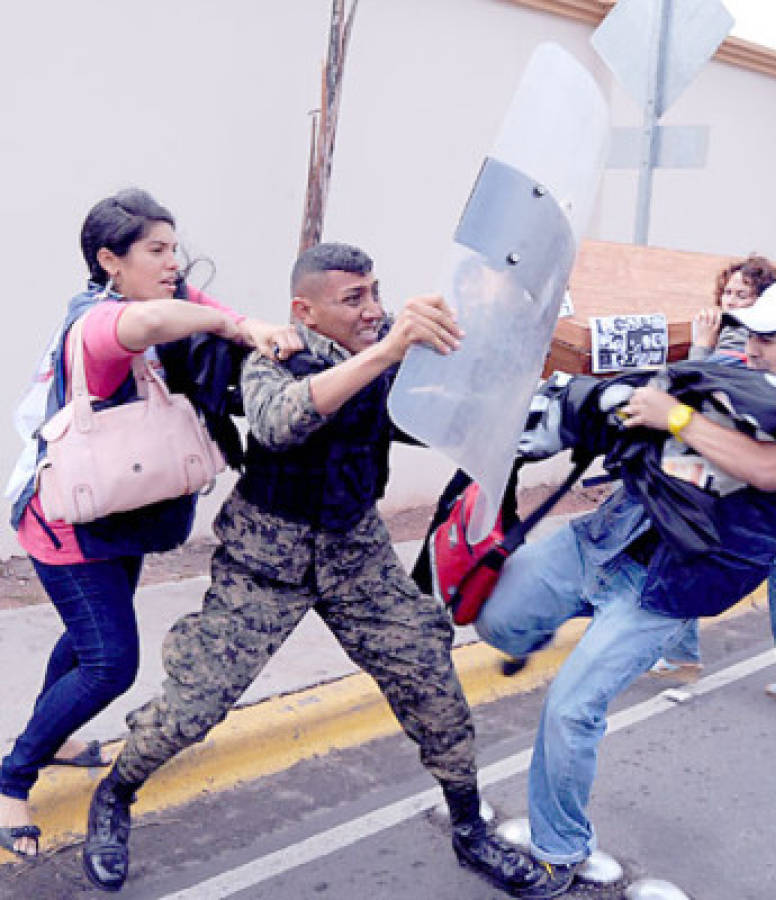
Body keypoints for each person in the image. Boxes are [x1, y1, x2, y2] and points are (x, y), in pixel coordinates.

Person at [80, 243, 548, 897]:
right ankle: (115, 795)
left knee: (430, 680)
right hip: (263, 565)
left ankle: (470, 827)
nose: (373, 309)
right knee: (193, 706)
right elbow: (277, 422)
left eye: (375, 293)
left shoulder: (392, 345)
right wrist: (384, 354)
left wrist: (500, 334)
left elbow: (463, 390)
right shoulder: (272, 355)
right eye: (352, 298)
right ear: (305, 310)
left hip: (355, 556)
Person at [475, 278, 776, 897]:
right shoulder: (733, 370)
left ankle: (559, 852)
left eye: (770, 337)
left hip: (663, 589)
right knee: (493, 619)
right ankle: (544, 624)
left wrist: (677, 417)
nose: (755, 347)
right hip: (603, 537)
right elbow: (665, 427)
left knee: (571, 708)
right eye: (751, 333)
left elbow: (765, 471)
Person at [0, 189, 296, 860]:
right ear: (110, 260)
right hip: (68, 526)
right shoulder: (101, 323)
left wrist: (249, 323)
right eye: (155, 251)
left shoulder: (156, 297)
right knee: (110, 662)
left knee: (84, 644)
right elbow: (164, 318)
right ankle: (12, 777)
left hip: (120, 515)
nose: (171, 262)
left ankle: (55, 739)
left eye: (174, 248)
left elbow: (198, 308)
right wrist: (243, 327)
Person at [649, 256, 776, 711]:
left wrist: (701, 348)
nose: (731, 302)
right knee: (762, 567)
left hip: (757, 487)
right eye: (729, 293)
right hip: (760, 486)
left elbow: (691, 394)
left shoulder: (747, 357)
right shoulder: (772, 356)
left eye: (744, 296)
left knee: (692, 545)